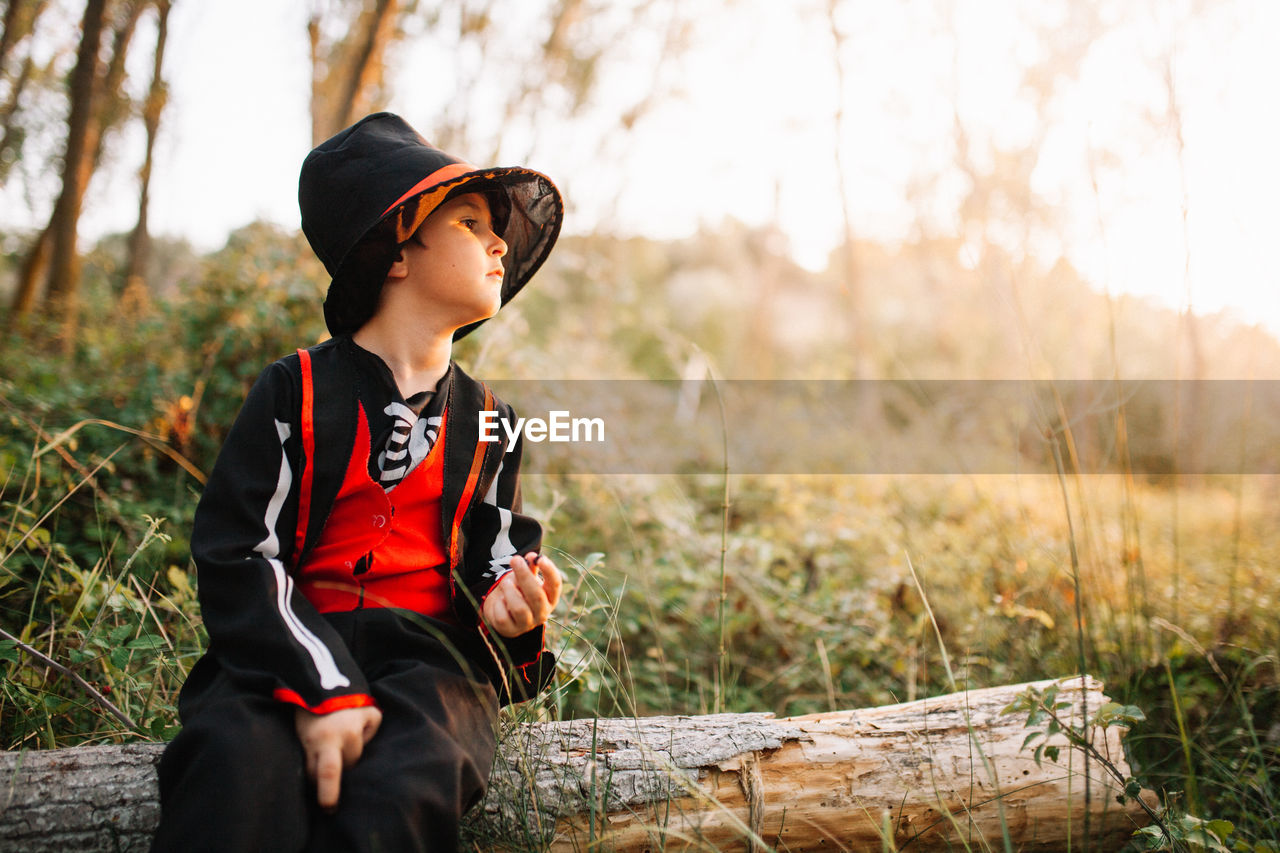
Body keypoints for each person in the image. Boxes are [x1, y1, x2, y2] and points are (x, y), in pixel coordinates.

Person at [151, 112, 565, 853]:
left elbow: (498, 561)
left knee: (410, 782)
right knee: (236, 766)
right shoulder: (295, 390)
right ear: (396, 250)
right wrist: (322, 687)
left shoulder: (495, 422)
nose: (499, 241)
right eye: (471, 222)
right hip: (282, 645)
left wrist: (514, 610)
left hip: (429, 663)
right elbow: (239, 554)